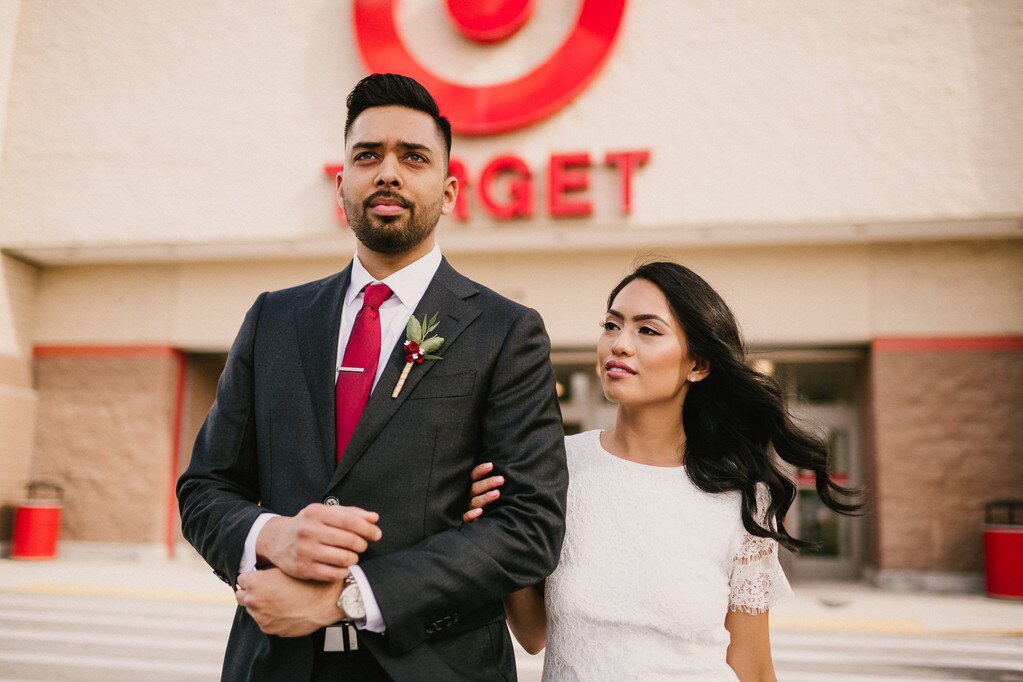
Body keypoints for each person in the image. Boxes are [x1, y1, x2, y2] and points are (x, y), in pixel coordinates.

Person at [177, 73, 568, 681]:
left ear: (449, 191)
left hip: (436, 665)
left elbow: (528, 527)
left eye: (413, 157)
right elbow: (204, 487)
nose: (388, 172)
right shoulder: (273, 319)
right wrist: (270, 535)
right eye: (368, 156)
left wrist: (349, 595)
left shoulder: (506, 331)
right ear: (342, 187)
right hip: (277, 664)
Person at [466, 261, 859, 681]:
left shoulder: (742, 495)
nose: (619, 344)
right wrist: (495, 530)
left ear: (699, 365)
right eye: (612, 325)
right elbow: (532, 633)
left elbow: (753, 667)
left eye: (647, 330)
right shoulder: (556, 466)